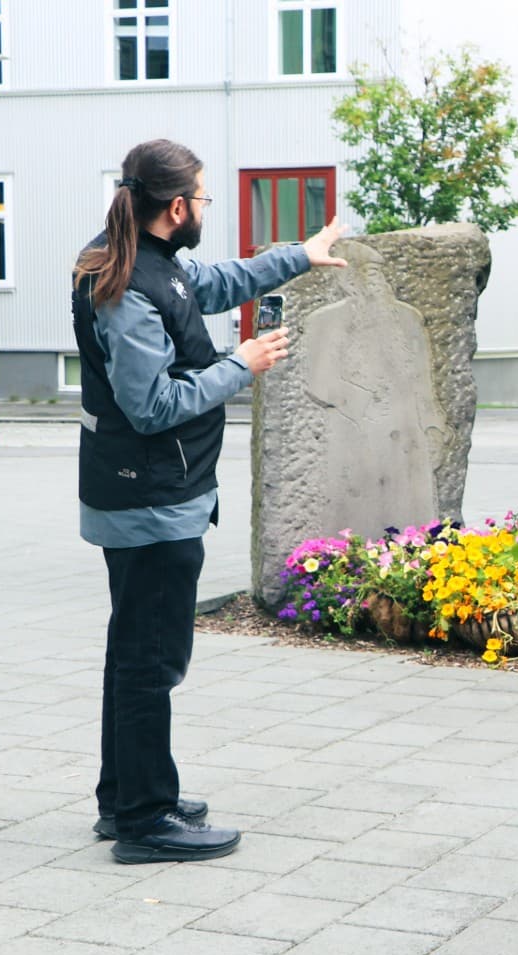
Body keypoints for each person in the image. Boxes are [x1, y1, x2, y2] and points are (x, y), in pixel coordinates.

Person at [75, 138, 345, 864]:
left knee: (133, 653)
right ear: (177, 207)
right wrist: (241, 364)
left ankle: (123, 795)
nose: (206, 209)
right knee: (149, 661)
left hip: (152, 496)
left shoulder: (151, 263)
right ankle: (144, 819)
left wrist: (300, 254)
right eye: (203, 197)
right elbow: (151, 405)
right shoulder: (128, 284)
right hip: (148, 502)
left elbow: (217, 282)